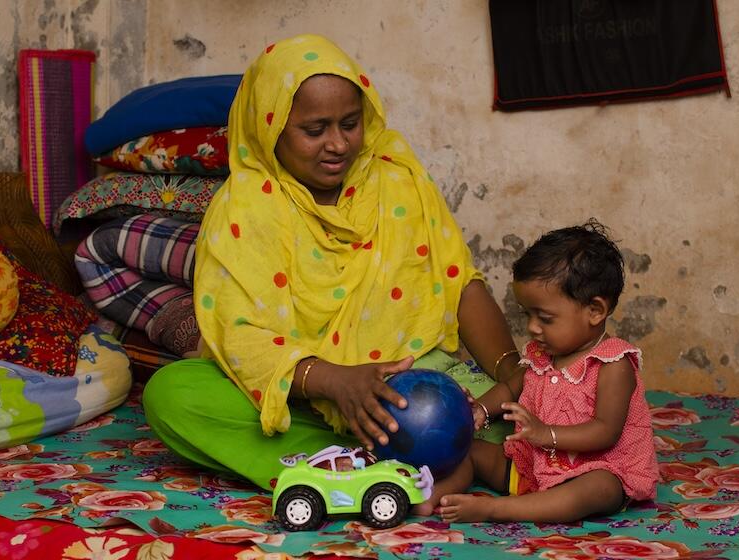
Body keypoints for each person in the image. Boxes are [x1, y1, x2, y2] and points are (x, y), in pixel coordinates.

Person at [142, 34, 521, 491]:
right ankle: (367, 465)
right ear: (271, 127)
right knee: (172, 397)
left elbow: (461, 285)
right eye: (315, 130)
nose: (338, 144)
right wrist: (335, 381)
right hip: (301, 397)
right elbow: (240, 332)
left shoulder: (396, 181)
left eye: (350, 123)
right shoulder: (244, 208)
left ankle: (392, 453)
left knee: (543, 418)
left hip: (413, 387)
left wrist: (513, 374)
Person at [421, 220, 659, 523]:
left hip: (593, 466)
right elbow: (510, 388)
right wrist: (480, 409)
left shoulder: (613, 364)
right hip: (532, 464)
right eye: (527, 314)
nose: (532, 328)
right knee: (470, 451)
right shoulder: (540, 356)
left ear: (595, 311)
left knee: (598, 488)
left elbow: (605, 431)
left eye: (545, 318)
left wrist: (546, 434)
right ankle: (434, 496)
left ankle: (496, 510)